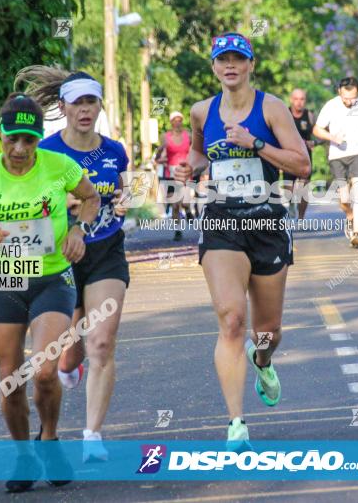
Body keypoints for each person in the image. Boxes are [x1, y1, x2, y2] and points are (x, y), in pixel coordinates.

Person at [0, 93, 101, 492]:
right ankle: (23, 456)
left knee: (46, 370)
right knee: (10, 378)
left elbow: (91, 198)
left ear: (39, 139)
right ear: (0, 133)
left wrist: (77, 229)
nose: (19, 149)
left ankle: (49, 439)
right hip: (4, 280)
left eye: (28, 141)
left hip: (52, 278)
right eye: (11, 139)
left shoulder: (59, 166)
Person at [174, 32, 310, 448]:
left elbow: (301, 164)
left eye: (238, 59)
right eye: (222, 60)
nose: (230, 65)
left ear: (251, 65)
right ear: (214, 67)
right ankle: (236, 423)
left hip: (267, 222)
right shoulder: (201, 111)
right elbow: (201, 155)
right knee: (232, 319)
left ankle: (262, 359)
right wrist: (188, 170)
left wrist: (256, 143)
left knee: (267, 331)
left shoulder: (271, 108)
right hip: (221, 222)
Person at [21, 67, 131, 464]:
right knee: (68, 355)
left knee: (101, 342)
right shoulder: (45, 153)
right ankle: (70, 369)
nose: (85, 110)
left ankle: (92, 435)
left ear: (100, 106)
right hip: (59, 258)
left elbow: (122, 187)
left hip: (105, 253)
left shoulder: (114, 150)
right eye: (77, 103)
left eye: (91, 102)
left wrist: (123, 200)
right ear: (63, 106)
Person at [312, 77, 358, 248]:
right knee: (344, 198)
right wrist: (332, 137)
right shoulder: (330, 106)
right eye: (345, 98)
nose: (349, 101)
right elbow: (317, 129)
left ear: (357, 92)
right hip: (337, 155)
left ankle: (356, 234)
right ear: (339, 92)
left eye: (353, 97)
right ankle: (349, 215)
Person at [154, 110, 192, 240]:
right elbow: (157, 158)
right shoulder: (165, 136)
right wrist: (159, 151)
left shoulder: (189, 136)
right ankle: (177, 230)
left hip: (185, 172)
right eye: (174, 120)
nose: (177, 122)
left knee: (185, 201)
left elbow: (196, 152)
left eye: (179, 120)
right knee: (175, 204)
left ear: (182, 121)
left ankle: (187, 211)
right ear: (171, 122)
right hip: (170, 174)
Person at [282, 88, 315, 220]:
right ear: (291, 100)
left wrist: (314, 142)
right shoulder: (284, 114)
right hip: (288, 156)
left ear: (305, 101)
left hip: (305, 158)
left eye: (301, 99)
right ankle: (290, 205)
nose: (299, 102)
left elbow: (318, 133)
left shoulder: (310, 115)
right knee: (288, 186)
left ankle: (301, 217)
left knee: (303, 190)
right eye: (296, 99)